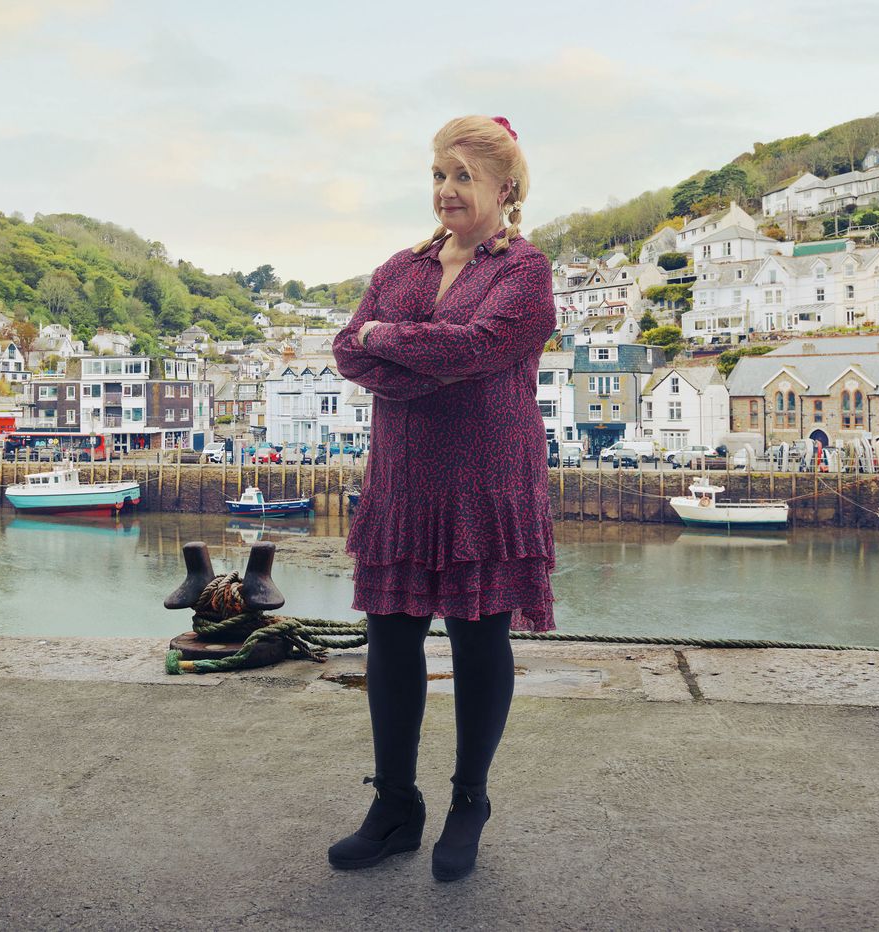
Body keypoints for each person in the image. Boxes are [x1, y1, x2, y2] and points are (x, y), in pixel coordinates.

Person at [329, 115, 556, 882]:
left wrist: (386, 340)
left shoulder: (526, 270)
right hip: (402, 477)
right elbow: (343, 348)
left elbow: (482, 347)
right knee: (390, 639)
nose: (447, 191)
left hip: (486, 479)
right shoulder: (400, 267)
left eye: (464, 175)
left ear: (505, 188)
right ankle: (395, 806)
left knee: (476, 640)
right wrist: (420, 355)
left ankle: (469, 803)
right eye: (438, 174)